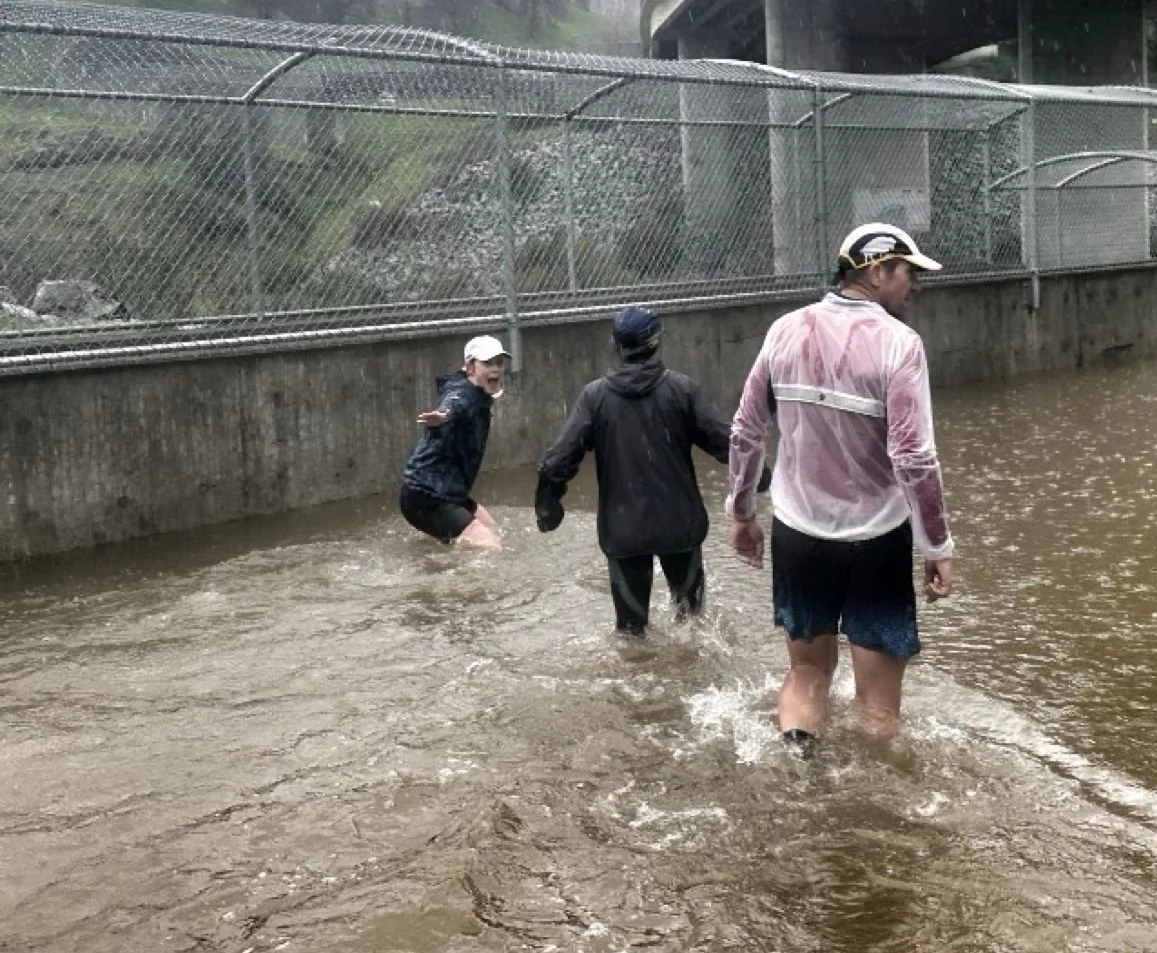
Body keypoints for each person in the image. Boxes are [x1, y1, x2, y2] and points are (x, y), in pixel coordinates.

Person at [725, 222, 955, 749]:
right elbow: (914, 457)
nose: (913, 286)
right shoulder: (900, 344)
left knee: (806, 672)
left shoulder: (785, 329)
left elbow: (745, 429)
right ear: (877, 271)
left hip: (799, 533)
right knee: (878, 704)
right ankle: (872, 815)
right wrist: (936, 545)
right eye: (907, 274)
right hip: (875, 538)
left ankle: (796, 763)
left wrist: (742, 514)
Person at [536, 305, 762, 635]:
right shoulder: (682, 390)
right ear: (657, 343)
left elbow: (557, 460)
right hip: (680, 526)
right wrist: (762, 477)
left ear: (616, 345)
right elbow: (727, 442)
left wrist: (548, 505)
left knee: (630, 633)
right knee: (693, 623)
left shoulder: (595, 397)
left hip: (624, 531)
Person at [399, 334, 509, 550]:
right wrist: (443, 416)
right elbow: (454, 405)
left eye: (499, 362)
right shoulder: (463, 392)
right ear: (470, 367)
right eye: (487, 363)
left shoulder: (479, 394)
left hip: (449, 492)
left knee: (492, 529)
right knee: (490, 546)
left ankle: (433, 555)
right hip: (425, 496)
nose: (495, 368)